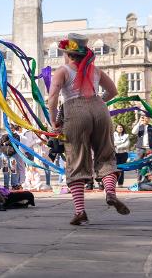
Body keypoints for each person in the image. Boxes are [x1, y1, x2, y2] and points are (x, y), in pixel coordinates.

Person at [47, 33, 130, 225]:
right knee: (106, 155)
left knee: (76, 160)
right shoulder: (95, 71)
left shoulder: (62, 71)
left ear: (68, 54)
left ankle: (80, 211)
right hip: (100, 109)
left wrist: (54, 121)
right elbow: (113, 92)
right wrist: (98, 104)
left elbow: (52, 97)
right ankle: (110, 192)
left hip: (74, 111)